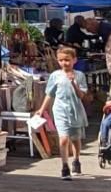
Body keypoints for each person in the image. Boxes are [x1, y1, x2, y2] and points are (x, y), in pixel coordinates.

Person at [37, 45, 90, 180]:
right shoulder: (55, 75)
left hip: (75, 110)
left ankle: (76, 159)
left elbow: (81, 96)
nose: (64, 63)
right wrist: (42, 109)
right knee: (64, 138)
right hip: (60, 109)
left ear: (74, 60)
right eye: (61, 60)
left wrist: (74, 84)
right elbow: (50, 94)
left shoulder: (80, 75)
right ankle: (64, 166)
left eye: (67, 60)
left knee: (75, 139)